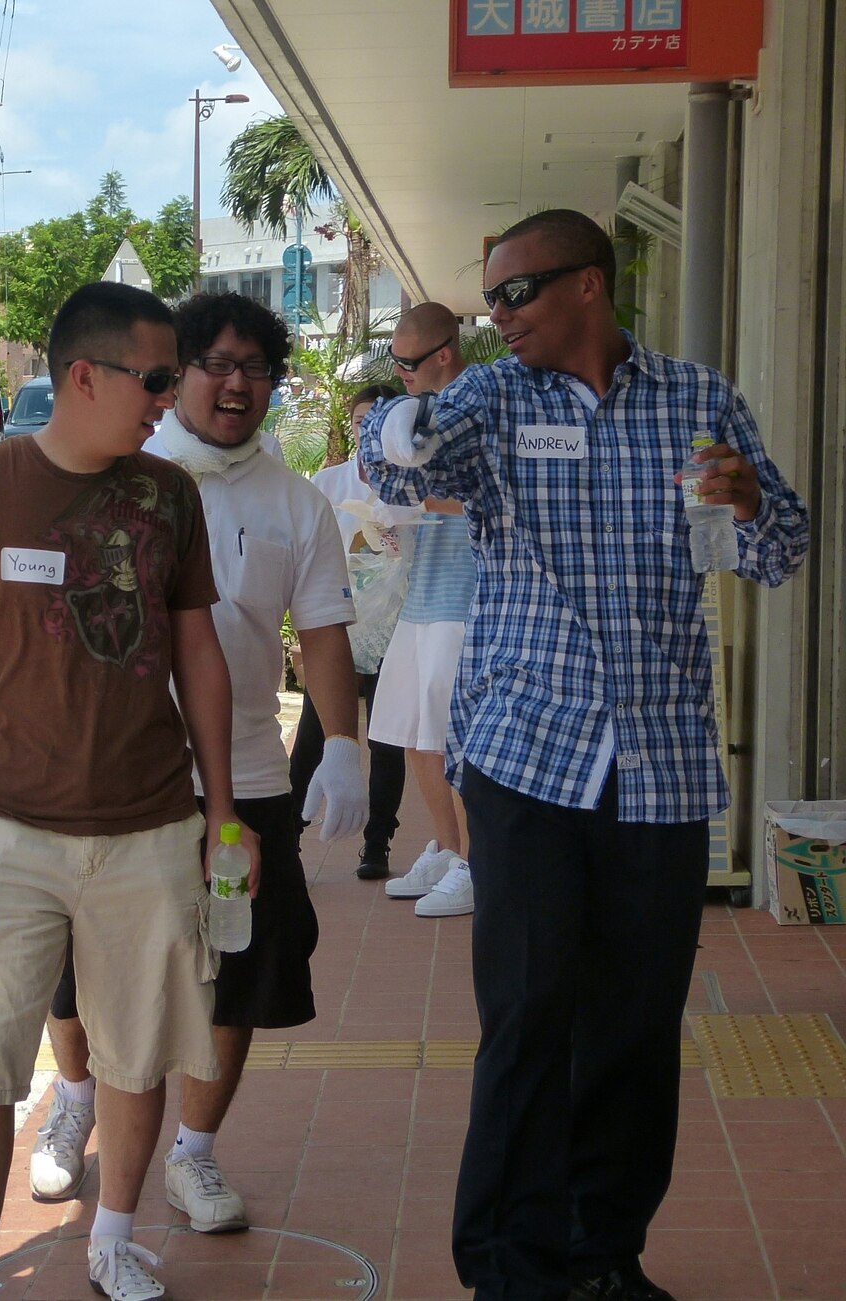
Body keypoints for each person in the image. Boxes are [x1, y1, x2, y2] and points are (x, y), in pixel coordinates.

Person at [362, 209, 808, 1301]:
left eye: (515, 294)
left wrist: (749, 500)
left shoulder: (694, 399)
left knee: (633, 1027)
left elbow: (781, 546)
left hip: (657, 764)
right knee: (525, 1015)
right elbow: (396, 472)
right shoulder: (495, 399)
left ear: (589, 288)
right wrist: (404, 425)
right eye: (489, 300)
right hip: (527, 753)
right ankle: (507, 1267)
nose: (498, 317)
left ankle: (602, 1252)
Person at [0, 280, 253, 1301]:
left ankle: (113, 1239)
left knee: (139, 1050)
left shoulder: (166, 494)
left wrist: (221, 808)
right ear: (80, 376)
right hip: (5, 821)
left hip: (146, 823)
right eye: (155, 378)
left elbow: (196, 654)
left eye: (172, 379)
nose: (168, 397)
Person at [32, 292, 368, 1244]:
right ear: (174, 374)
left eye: (255, 369)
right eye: (216, 364)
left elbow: (328, 634)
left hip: (249, 776)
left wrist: (343, 744)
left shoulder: (296, 504)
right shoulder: (118, 473)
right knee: (73, 967)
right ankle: (74, 1099)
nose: (235, 384)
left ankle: (192, 1149)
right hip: (108, 775)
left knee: (240, 973)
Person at [366, 304, 477, 917]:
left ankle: (473, 864)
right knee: (414, 734)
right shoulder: (415, 414)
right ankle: (446, 846)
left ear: (445, 352)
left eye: (409, 362)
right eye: (394, 360)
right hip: (423, 592)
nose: (401, 373)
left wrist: (416, 500)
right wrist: (394, 522)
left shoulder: (472, 410)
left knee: (449, 738)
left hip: (466, 600)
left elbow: (484, 496)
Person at [288, 383, 410, 878]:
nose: (367, 432)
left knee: (386, 738)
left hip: (393, 628)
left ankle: (377, 842)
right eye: (360, 423)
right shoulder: (329, 481)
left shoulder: (412, 482)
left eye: (377, 422)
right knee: (316, 732)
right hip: (336, 626)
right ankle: (287, 837)